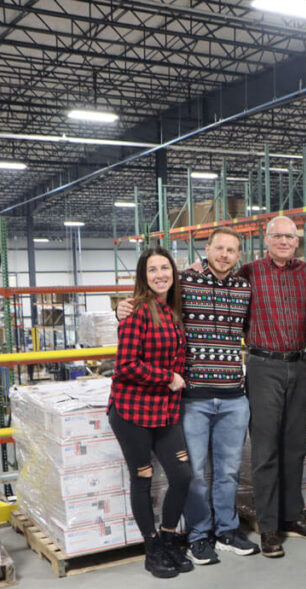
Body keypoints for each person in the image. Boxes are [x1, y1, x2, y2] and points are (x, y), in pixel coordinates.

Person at [118, 229, 259, 564]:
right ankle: (198, 536)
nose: (224, 255)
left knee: (227, 471)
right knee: (194, 472)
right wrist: (122, 309)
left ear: (239, 255)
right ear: (206, 249)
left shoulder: (244, 287)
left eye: (231, 250)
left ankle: (226, 529)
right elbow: (151, 295)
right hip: (193, 396)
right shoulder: (184, 282)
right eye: (218, 248)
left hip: (233, 397)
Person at [240, 216, 306, 558]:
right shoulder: (248, 273)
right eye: (277, 236)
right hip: (263, 366)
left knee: (295, 447)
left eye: (290, 236)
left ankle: (293, 517)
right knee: (266, 451)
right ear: (266, 239)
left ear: (297, 240)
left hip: (299, 365)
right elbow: (214, 288)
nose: (284, 241)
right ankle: (269, 527)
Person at [108, 247, 193, 579]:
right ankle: (152, 546)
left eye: (165, 268)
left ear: (174, 272)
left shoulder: (172, 310)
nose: (160, 275)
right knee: (142, 478)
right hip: (132, 412)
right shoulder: (137, 312)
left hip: (166, 412)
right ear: (143, 276)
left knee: (183, 476)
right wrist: (167, 378)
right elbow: (125, 365)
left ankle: (170, 536)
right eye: (153, 270)